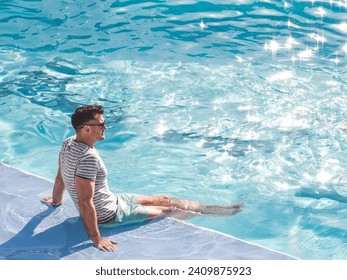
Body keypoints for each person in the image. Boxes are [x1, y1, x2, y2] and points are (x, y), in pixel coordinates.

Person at [41, 105, 243, 252]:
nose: (105, 128)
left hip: (114, 200)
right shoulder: (87, 158)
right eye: (101, 125)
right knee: (168, 210)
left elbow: (60, 177)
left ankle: (212, 208)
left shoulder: (68, 143)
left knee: (164, 198)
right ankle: (214, 213)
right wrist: (96, 238)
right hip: (109, 215)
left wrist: (56, 201)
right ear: (86, 129)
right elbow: (85, 203)